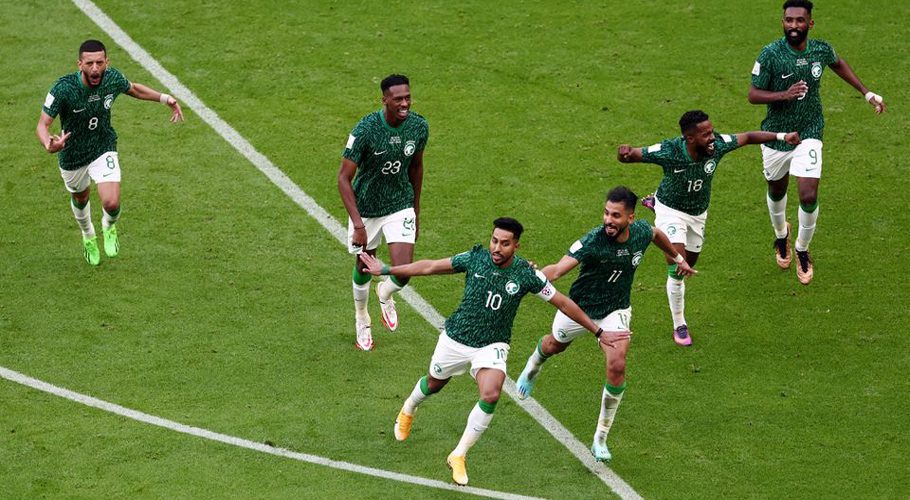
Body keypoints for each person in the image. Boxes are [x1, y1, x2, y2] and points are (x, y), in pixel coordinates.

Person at [359, 218, 629, 486]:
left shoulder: (526, 274)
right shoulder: (475, 258)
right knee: (434, 383)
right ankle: (408, 408)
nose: (497, 248)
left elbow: (563, 303)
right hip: (456, 339)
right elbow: (430, 266)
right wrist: (387, 269)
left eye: (505, 243)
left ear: (516, 245)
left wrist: (599, 332)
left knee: (491, 392)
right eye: (495, 241)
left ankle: (459, 454)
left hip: (492, 346)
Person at [515, 186, 695, 463]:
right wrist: (534, 276)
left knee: (617, 364)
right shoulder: (593, 241)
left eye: (616, 215)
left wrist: (678, 258)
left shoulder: (641, 232)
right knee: (553, 346)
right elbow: (559, 269)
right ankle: (534, 365)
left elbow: (658, 234)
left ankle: (600, 437)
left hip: (615, 310)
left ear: (631, 218)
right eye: (606, 213)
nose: (609, 220)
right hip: (579, 309)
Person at [617, 110, 800, 346]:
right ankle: (679, 324)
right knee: (678, 266)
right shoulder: (671, 150)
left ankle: (653, 204)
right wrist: (624, 154)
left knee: (690, 262)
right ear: (690, 138)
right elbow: (634, 154)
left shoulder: (717, 147)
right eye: (706, 134)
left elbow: (747, 137)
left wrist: (782, 136)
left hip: (698, 214)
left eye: (711, 131)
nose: (712, 137)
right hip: (671, 211)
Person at [749, 0, 886, 284]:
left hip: (810, 131)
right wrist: (782, 95)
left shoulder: (820, 49)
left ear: (810, 23)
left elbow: (838, 63)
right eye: (789, 20)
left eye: (800, 21)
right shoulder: (771, 54)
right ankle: (781, 236)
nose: (794, 26)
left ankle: (802, 249)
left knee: (808, 195)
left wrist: (866, 92)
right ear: (783, 22)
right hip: (775, 135)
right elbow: (753, 94)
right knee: (776, 190)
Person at [36, 39, 184, 266]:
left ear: (106, 62)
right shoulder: (63, 88)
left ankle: (109, 226)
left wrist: (165, 99)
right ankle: (88, 236)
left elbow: (133, 89)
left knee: (112, 203)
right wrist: (49, 143)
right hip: (72, 156)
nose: (95, 68)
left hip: (103, 146)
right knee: (81, 197)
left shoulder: (112, 78)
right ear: (80, 64)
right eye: (89, 63)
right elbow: (42, 125)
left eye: (99, 62)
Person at [338, 74, 429, 351]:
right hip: (366, 208)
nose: (404, 103)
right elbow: (343, 179)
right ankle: (362, 317)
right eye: (398, 99)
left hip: (399, 204)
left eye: (407, 97)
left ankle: (385, 292)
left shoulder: (418, 127)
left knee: (403, 272)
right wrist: (358, 224)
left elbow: (416, 168)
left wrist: (415, 208)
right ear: (385, 100)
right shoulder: (366, 129)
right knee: (364, 266)